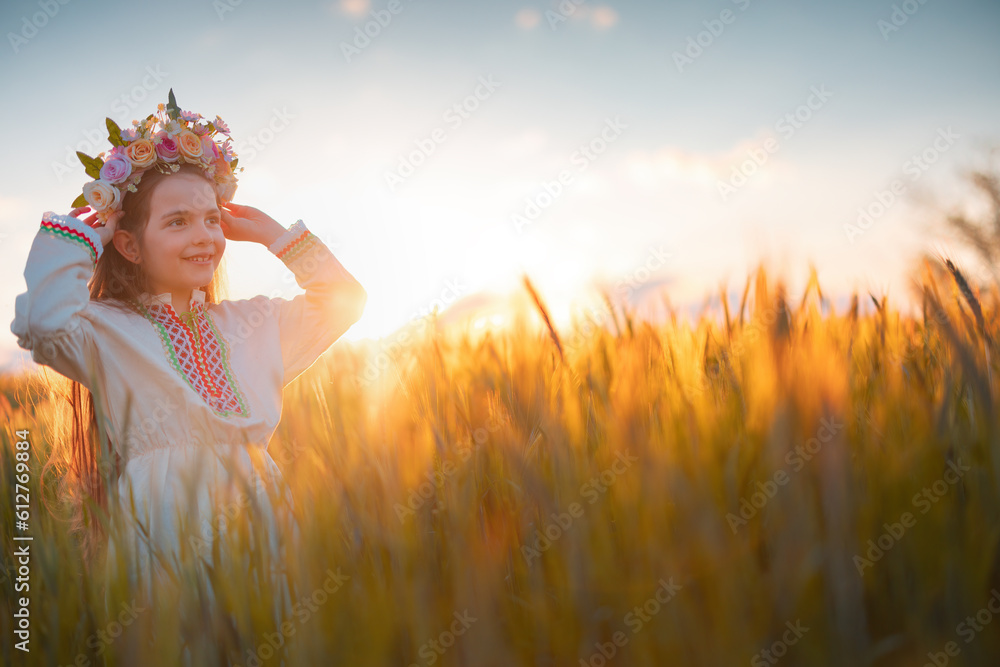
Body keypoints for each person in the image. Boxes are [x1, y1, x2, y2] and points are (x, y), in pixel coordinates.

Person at [10, 92, 367, 663]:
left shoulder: (254, 323)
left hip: (259, 512)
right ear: (128, 243)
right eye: (176, 222)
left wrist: (277, 235)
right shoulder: (107, 331)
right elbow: (39, 322)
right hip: (163, 519)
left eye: (209, 218)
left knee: (264, 642)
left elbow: (343, 301)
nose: (203, 235)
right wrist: (83, 234)